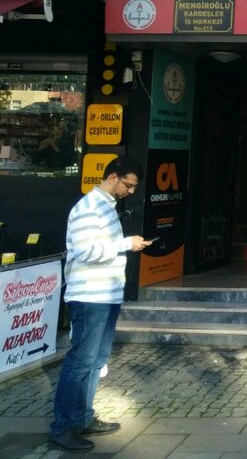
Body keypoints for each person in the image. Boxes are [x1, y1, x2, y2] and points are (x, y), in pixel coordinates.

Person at [49, 156, 152, 453]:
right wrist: (126, 244)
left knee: (95, 361)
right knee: (81, 362)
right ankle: (64, 427)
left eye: (134, 187)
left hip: (105, 295)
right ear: (113, 177)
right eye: (129, 185)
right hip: (89, 297)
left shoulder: (106, 206)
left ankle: (81, 417)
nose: (131, 191)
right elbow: (85, 251)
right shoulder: (89, 207)